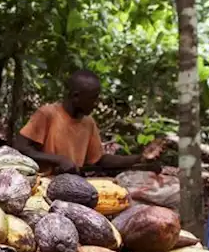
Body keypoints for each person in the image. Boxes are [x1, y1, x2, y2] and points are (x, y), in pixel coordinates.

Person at [15, 70, 145, 174]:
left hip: (73, 185)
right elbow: (20, 147)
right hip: (43, 184)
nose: (96, 104)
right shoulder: (47, 114)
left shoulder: (88, 123)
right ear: (76, 96)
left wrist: (140, 158)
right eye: (93, 98)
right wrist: (58, 160)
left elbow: (98, 160)